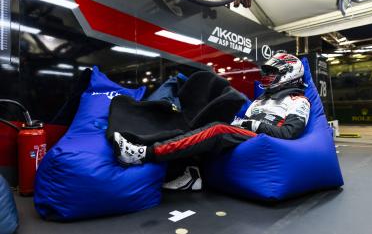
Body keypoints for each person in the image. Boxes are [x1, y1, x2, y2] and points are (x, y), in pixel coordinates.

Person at [112, 53, 310, 190]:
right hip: (247, 135)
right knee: (200, 122)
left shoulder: (299, 101)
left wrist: (250, 125)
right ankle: (190, 175)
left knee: (217, 130)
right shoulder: (261, 99)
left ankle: (143, 154)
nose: (266, 77)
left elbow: (289, 133)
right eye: (266, 72)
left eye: (272, 73)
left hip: (266, 140)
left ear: (288, 73)